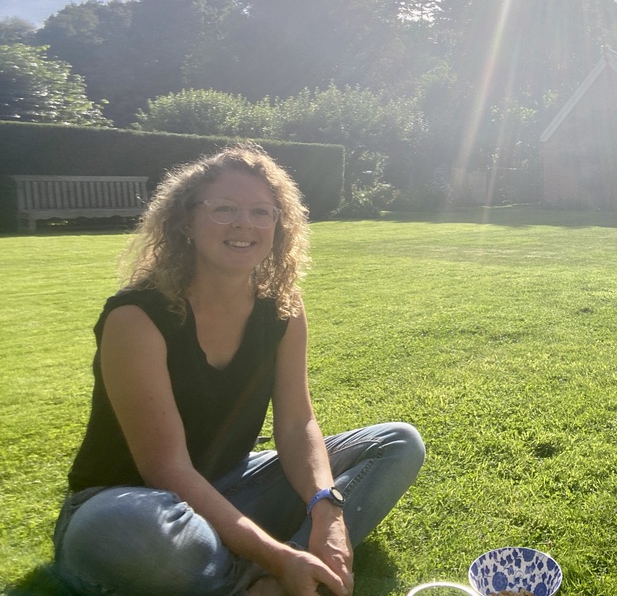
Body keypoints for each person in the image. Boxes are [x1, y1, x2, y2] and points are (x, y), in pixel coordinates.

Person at [52, 144, 425, 596]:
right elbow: (166, 470)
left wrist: (328, 511)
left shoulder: (282, 307)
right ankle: (267, 575)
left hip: (232, 482)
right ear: (186, 221)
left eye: (261, 212)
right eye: (224, 209)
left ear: (278, 226)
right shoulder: (137, 317)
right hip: (132, 503)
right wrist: (276, 556)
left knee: (398, 442)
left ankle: (283, 569)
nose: (244, 224)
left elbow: (297, 425)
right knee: (129, 532)